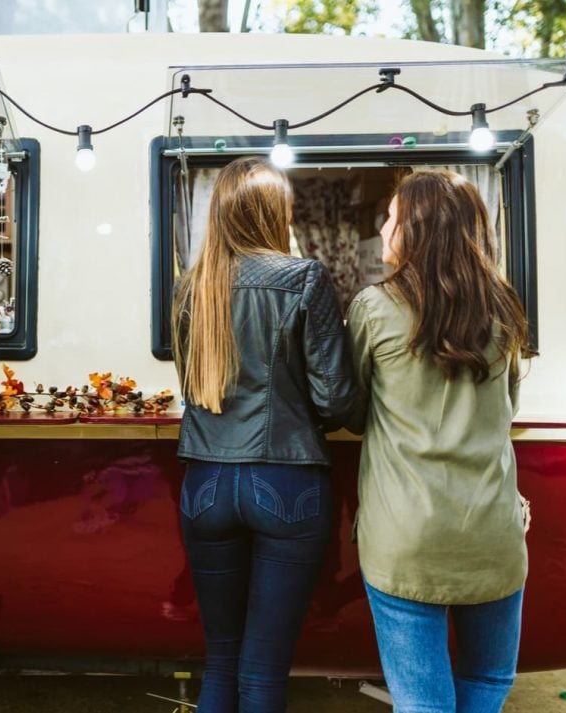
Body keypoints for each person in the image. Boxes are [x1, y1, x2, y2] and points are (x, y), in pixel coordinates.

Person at [172, 157, 356, 712]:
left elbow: (191, 383)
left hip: (204, 484)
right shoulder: (303, 278)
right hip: (286, 482)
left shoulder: (189, 287)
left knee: (221, 659)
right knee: (264, 667)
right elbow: (336, 399)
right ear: (276, 212)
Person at [346, 170, 534, 712]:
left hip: (405, 536)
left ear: (417, 231)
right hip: (493, 531)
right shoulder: (505, 309)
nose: (383, 229)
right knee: (489, 678)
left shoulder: (375, 307)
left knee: (422, 703)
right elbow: (508, 410)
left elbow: (352, 409)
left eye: (392, 218)